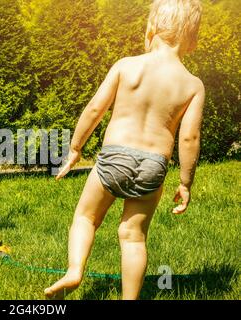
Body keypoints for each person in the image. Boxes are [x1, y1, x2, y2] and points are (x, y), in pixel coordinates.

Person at [45, 0, 204, 300]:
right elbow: (189, 138)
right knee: (133, 237)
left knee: (86, 218)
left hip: (113, 158)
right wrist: (185, 183)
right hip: (154, 166)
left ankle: (75, 270)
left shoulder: (127, 66)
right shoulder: (192, 85)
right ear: (192, 41)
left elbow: (95, 109)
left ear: (151, 28)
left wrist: (75, 149)